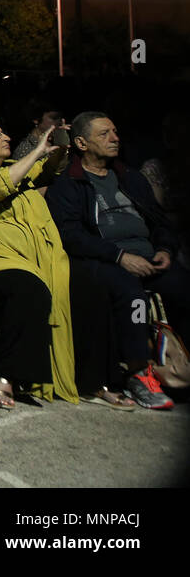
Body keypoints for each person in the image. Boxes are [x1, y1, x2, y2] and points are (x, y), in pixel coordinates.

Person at [0, 119, 132, 410]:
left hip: (37, 256)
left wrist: (56, 148)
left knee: (92, 288)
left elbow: (50, 170)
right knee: (28, 290)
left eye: (4, 130)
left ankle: (95, 379)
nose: (6, 136)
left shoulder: (16, 169)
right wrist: (35, 152)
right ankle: (5, 371)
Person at [48, 111, 186, 410]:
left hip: (150, 256)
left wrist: (164, 249)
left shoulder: (130, 177)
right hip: (105, 260)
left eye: (115, 132)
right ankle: (139, 373)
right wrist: (120, 256)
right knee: (133, 296)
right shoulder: (69, 184)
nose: (115, 138)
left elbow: (160, 222)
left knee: (182, 286)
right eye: (105, 134)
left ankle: (180, 366)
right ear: (82, 143)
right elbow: (71, 235)